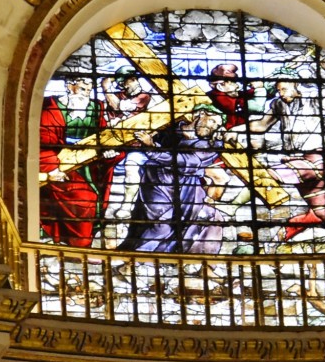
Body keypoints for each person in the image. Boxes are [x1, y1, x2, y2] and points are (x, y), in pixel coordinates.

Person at [240, 57, 325, 241]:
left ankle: (230, 206)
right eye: (278, 90)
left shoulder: (314, 98)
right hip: (295, 159)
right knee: (323, 213)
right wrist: (233, 130)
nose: (281, 93)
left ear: (295, 84)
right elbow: (260, 125)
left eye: (284, 88)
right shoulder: (278, 104)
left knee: (266, 175)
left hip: (316, 159)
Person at [117, 104, 230, 255]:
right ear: (201, 114)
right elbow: (138, 139)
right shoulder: (168, 127)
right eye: (212, 121)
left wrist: (152, 147)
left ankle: (175, 262)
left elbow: (185, 162)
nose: (214, 127)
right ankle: (137, 260)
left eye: (217, 125)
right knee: (160, 224)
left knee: (191, 222)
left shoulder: (212, 144)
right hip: (156, 183)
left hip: (187, 189)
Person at [39, 76, 121, 247]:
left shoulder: (95, 107)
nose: (86, 94)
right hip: (60, 165)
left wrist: (109, 153)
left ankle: (82, 242)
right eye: (82, 89)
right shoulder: (51, 108)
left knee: (94, 198)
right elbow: (42, 142)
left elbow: (104, 135)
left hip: (89, 166)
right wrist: (52, 168)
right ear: (70, 86)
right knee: (83, 200)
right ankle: (80, 246)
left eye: (89, 90)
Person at [102, 66, 153, 220]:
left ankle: (126, 205)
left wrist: (106, 88)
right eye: (121, 83)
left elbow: (119, 107)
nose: (123, 86)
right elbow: (109, 116)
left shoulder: (144, 97)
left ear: (134, 79)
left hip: (138, 147)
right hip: (117, 144)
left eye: (125, 82)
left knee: (131, 167)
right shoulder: (117, 95)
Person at [206, 63, 258, 129]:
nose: (236, 85)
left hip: (241, 126)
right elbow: (232, 104)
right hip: (229, 127)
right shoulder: (216, 95)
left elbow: (244, 94)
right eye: (231, 82)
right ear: (220, 86)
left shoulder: (230, 92)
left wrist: (257, 88)